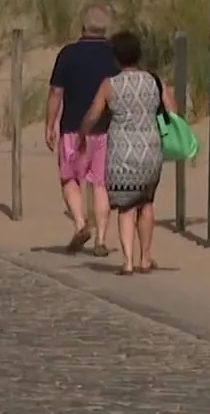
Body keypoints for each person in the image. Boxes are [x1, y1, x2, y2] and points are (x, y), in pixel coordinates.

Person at [78, 31, 175, 275]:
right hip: (151, 150)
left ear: (116, 58)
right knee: (147, 202)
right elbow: (173, 110)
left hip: (122, 152)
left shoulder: (111, 84)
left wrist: (83, 131)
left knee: (125, 206)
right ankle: (145, 258)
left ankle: (128, 262)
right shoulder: (154, 80)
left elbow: (94, 113)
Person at [45, 4, 120, 255]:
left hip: (72, 128)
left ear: (83, 26)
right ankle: (101, 239)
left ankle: (79, 223)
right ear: (106, 27)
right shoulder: (113, 55)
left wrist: (49, 123)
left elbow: (56, 92)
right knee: (100, 184)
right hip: (105, 128)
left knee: (69, 178)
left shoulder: (68, 54)